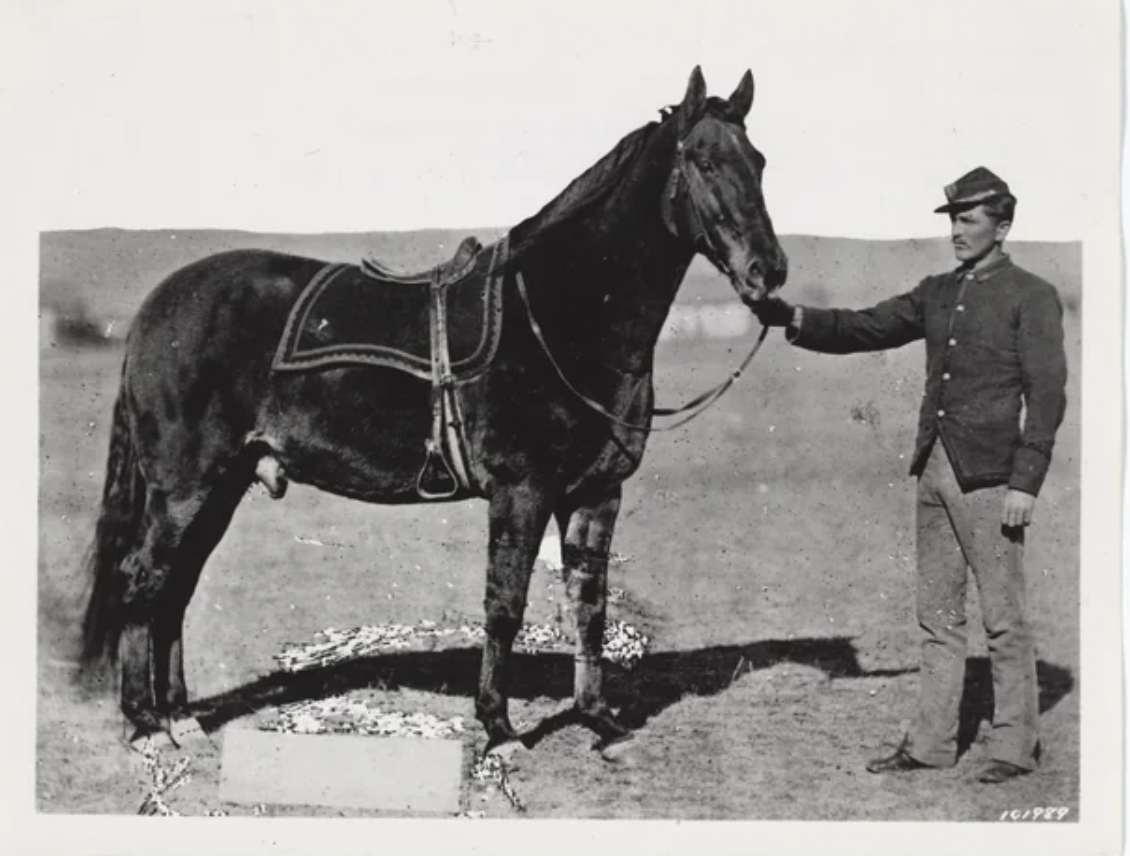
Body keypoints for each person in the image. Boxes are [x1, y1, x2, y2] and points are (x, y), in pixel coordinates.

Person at [753, 167, 1067, 784]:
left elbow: (1048, 396)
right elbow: (867, 326)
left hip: (992, 483)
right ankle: (930, 744)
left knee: (1003, 620)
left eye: (969, 219)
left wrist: (1026, 484)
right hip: (935, 474)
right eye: (952, 218)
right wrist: (790, 316)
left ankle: (1013, 747)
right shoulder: (936, 291)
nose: (956, 230)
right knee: (937, 619)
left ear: (1002, 227)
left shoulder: (1031, 295)